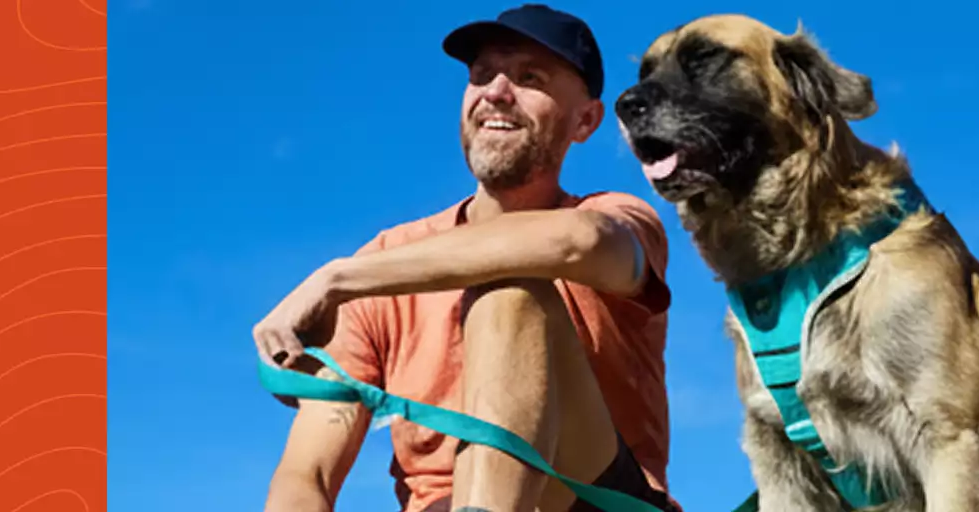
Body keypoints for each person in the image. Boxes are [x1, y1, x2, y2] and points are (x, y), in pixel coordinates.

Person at [251, 4, 678, 512]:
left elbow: (576, 244)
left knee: (511, 291)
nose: (496, 92)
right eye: (480, 75)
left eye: (528, 77)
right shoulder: (387, 259)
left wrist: (336, 278)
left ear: (585, 120)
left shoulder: (616, 218)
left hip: (594, 499)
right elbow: (309, 473)